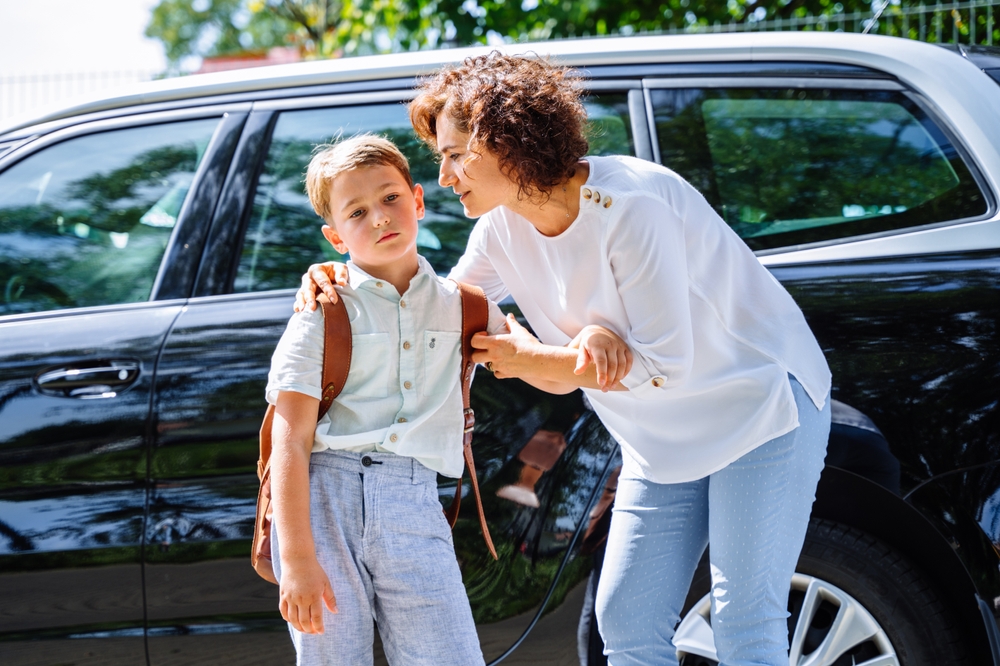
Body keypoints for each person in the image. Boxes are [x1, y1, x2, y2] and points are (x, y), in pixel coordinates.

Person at [296, 54, 832, 666]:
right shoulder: (502, 227)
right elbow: (433, 310)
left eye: (454, 154)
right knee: (626, 624)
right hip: (661, 438)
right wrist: (343, 280)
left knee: (743, 621)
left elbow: (663, 367)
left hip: (761, 406)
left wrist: (539, 358)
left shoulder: (632, 206)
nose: (443, 176)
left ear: (507, 141)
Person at [266, 134, 515, 666]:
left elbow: (538, 362)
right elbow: (289, 439)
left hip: (414, 499)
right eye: (357, 212)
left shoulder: (464, 307)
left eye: (390, 199)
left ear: (419, 201)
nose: (379, 218)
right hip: (324, 501)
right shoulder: (323, 309)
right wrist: (299, 557)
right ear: (335, 237)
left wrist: (591, 342)